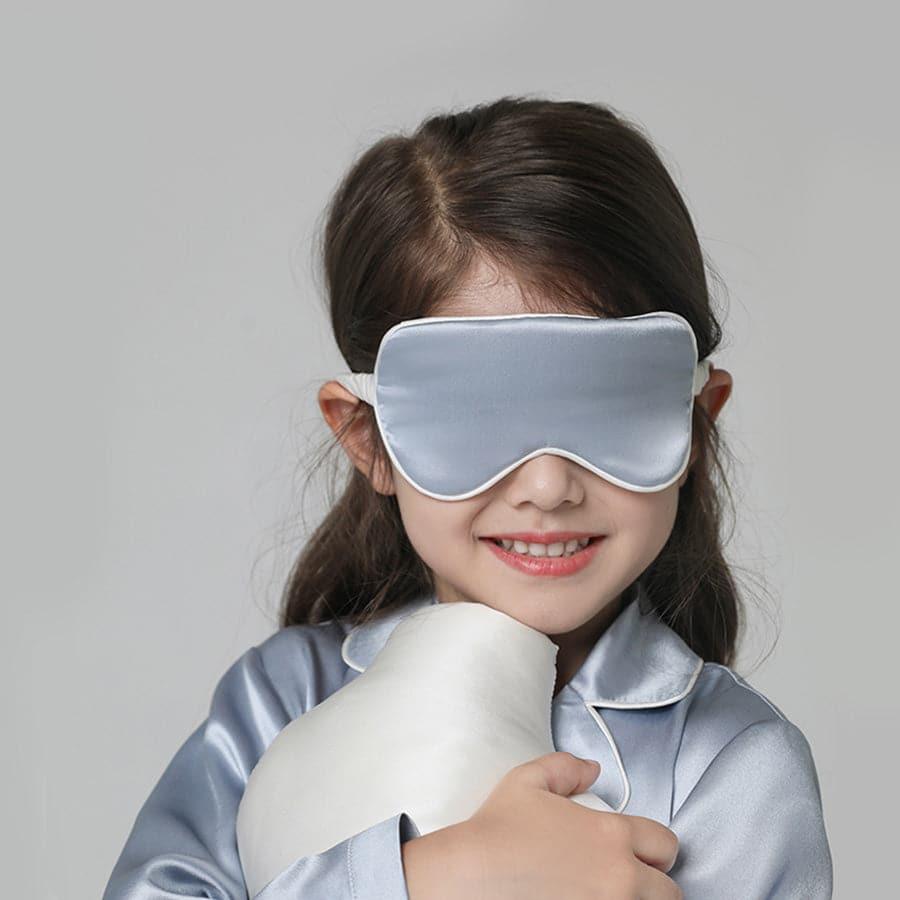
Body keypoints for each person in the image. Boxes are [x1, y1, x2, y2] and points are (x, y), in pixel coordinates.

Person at [102, 95, 833, 899]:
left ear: (694, 424)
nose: (548, 488)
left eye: (608, 409)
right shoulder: (279, 700)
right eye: (480, 415)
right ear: (367, 439)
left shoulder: (735, 768)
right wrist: (432, 879)